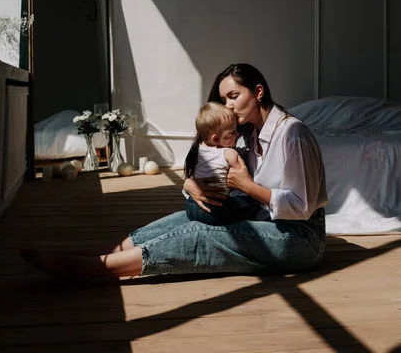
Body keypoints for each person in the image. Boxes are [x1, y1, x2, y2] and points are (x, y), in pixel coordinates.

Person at [21, 63, 328, 279]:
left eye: (234, 96)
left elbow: (301, 208)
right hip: (264, 219)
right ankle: (96, 252)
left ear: (258, 91)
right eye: (223, 99)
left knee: (206, 233)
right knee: (193, 212)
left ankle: (92, 269)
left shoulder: (292, 134)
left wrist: (247, 186)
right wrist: (192, 186)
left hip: (300, 239)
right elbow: (215, 175)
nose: (228, 106)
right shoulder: (244, 135)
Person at [185, 102, 260, 225]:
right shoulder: (230, 153)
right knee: (250, 205)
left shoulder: (198, 149)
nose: (237, 134)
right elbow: (241, 177)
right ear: (215, 139)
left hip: (192, 205)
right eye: (232, 132)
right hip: (215, 209)